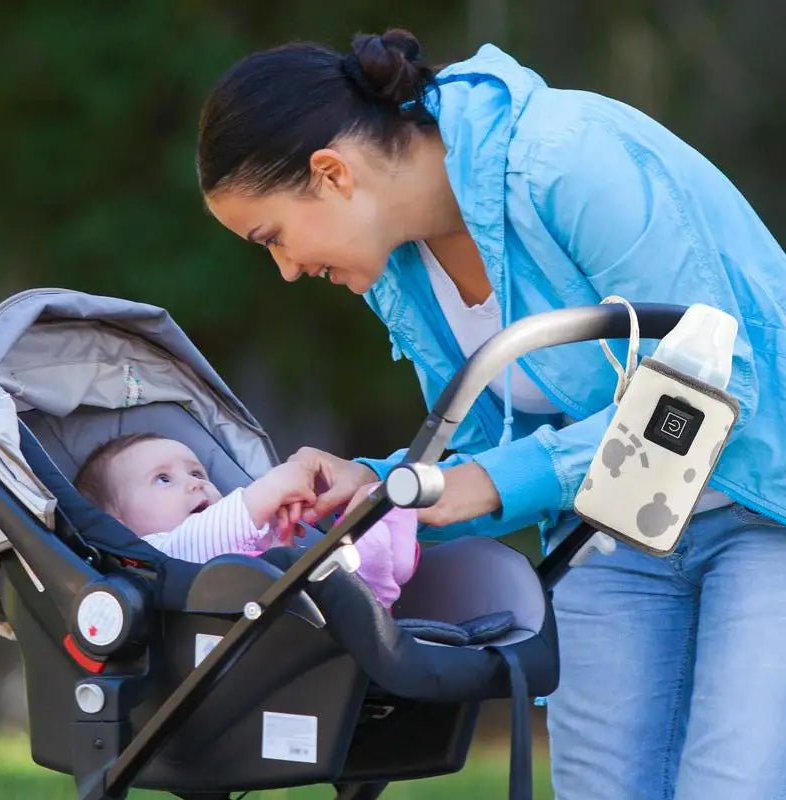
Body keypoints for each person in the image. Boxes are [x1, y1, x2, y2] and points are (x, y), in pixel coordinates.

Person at [195, 28, 786, 800]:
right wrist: (380, 490)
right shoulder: (397, 269)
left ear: (332, 173)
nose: (285, 270)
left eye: (272, 237)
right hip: (610, 534)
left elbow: (710, 384)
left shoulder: (569, 159)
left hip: (763, 507)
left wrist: (486, 481)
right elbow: (488, 449)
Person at [74, 433, 419, 610]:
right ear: (116, 523)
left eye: (197, 472)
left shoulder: (227, 532)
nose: (194, 483)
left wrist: (280, 536)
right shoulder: (151, 556)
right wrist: (270, 489)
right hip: (264, 634)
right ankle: (372, 567)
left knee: (316, 554)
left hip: (307, 615)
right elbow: (210, 533)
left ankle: (375, 556)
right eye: (163, 479)